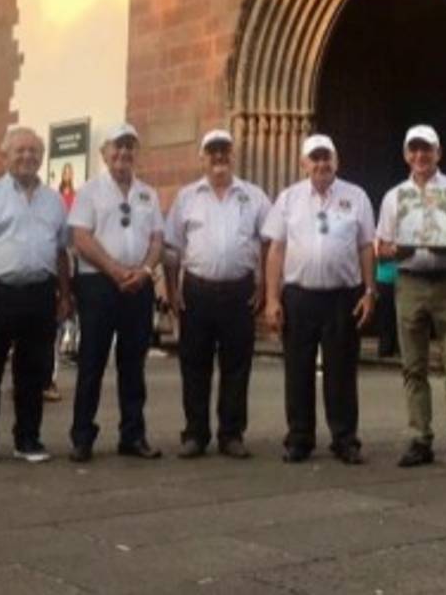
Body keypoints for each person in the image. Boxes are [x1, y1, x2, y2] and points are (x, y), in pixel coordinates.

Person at [263, 134, 376, 465]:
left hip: (343, 296)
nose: (322, 163)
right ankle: (299, 437)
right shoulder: (288, 199)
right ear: (303, 163)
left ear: (336, 162)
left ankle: (344, 438)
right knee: (297, 370)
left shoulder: (356, 196)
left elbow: (366, 246)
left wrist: (370, 291)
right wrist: (272, 298)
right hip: (299, 296)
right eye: (315, 158)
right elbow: (276, 249)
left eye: (327, 157)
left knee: (342, 371)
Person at [0, 127, 72, 465]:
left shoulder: (54, 199)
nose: (27, 157)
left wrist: (65, 295)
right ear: (4, 156)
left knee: (33, 371)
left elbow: (62, 252)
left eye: (34, 152)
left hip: (40, 294)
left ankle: (28, 437)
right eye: (20, 151)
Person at [375, 125, 446, 471]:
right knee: (413, 365)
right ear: (406, 154)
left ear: (438, 152)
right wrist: (397, 249)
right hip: (410, 281)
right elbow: (381, 248)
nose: (420, 156)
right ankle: (420, 436)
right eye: (414, 150)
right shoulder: (394, 196)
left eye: (427, 149)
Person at [162, 129, 271, 460]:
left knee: (237, 366)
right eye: (213, 151)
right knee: (194, 365)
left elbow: (269, 242)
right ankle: (195, 433)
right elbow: (171, 249)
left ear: (233, 155)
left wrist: (264, 283)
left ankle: (231, 434)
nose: (219, 157)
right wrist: (171, 291)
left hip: (240, 291)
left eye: (224, 150)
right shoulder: (187, 197)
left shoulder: (254, 196)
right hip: (196, 290)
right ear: (202, 157)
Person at [68, 123, 165, 462]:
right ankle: (82, 436)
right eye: (117, 148)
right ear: (104, 153)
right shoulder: (90, 191)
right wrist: (114, 269)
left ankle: (133, 435)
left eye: (129, 148)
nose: (123, 154)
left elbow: (156, 240)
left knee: (133, 364)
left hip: (138, 285)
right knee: (92, 361)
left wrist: (145, 271)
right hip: (98, 283)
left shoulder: (148, 194)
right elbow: (81, 237)